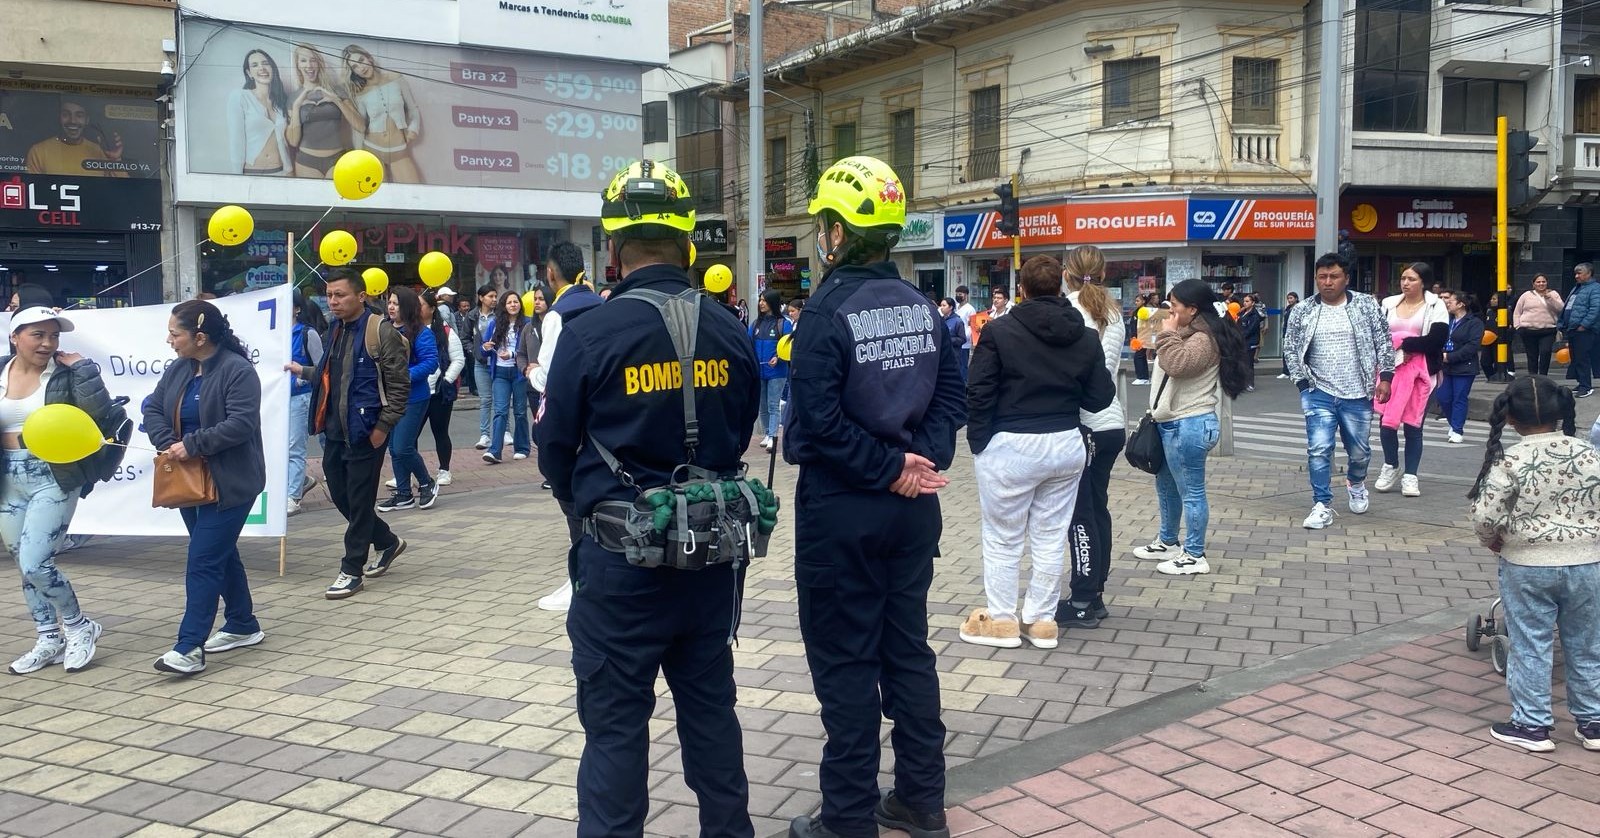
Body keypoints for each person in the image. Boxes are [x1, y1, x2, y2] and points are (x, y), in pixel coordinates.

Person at [537, 160, 760, 837]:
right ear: (687, 244)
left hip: (618, 565)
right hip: (708, 560)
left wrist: (586, 513)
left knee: (614, 730)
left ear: (613, 248)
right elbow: (742, 429)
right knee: (711, 714)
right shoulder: (731, 331)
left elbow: (553, 448)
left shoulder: (589, 334)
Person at [784, 156, 965, 838]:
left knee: (846, 662)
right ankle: (922, 799)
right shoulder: (923, 305)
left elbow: (819, 420)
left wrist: (887, 466)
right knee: (907, 652)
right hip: (914, 506)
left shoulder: (827, 310)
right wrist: (918, 463)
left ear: (835, 232)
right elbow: (952, 397)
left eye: (822, 227)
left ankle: (848, 818)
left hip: (844, 507)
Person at [960, 254, 1112, 650]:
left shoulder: (999, 332)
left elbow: (978, 392)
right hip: (1064, 442)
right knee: (1049, 535)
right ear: (1060, 286)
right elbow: (1100, 398)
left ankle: (1004, 621)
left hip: (1010, 444)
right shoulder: (1085, 335)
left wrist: (979, 442)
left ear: (1021, 290)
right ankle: (1042, 621)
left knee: (1003, 537)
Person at [1467, 376, 1600, 754]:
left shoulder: (1510, 460)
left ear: (1509, 419)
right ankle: (1593, 722)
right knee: (1588, 644)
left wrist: (1492, 540)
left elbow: (1485, 516)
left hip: (1527, 564)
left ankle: (1532, 724)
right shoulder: (1591, 454)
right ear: (1562, 413)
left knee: (1531, 644)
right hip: (1588, 562)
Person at [143, 301, 267, 675]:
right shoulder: (179, 369)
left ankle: (189, 647)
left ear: (200, 337)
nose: (169, 340)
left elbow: (240, 425)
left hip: (231, 482)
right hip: (188, 480)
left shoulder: (237, 370)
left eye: (175, 334)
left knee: (203, 559)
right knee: (219, 553)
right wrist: (169, 443)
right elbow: (152, 407)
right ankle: (243, 624)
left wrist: (192, 445)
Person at [1, 308, 114, 674]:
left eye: (54, 336)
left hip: (54, 474)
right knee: (23, 565)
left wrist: (85, 370)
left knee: (37, 562)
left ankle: (79, 625)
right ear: (15, 336)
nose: (48, 343)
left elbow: (99, 420)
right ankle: (48, 637)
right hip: (7, 478)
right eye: (38, 335)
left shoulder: (66, 374)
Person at [286, 269, 410, 599]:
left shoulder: (380, 332)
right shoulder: (335, 330)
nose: (333, 301)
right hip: (335, 430)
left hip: (366, 432)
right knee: (341, 495)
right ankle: (385, 540)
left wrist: (382, 428)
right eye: (329, 295)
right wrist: (302, 370)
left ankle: (351, 569)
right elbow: (332, 375)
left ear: (361, 296)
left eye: (339, 295)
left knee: (359, 498)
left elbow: (400, 387)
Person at [1130, 281, 1250, 576]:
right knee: (1167, 485)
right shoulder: (1185, 332)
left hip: (1190, 423)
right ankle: (1168, 541)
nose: (1169, 311)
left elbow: (1179, 365)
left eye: (1174, 306)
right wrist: (1152, 334)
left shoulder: (1203, 340)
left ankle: (1195, 554)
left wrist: (1166, 334)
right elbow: (1158, 354)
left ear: (1193, 309)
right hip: (1172, 422)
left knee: (1191, 491)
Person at [1283, 252, 1394, 529]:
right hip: (1317, 390)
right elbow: (1291, 347)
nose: (1327, 282)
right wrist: (1302, 383)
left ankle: (1356, 482)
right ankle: (1321, 503)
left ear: (1346, 278)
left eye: (1334, 276)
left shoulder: (1366, 305)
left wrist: (1386, 377)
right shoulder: (1303, 310)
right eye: (1322, 277)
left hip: (1358, 392)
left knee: (1359, 452)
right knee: (1319, 449)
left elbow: (1384, 341)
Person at [531, 242, 604, 612]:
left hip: (571, 423)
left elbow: (553, 378)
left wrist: (531, 374)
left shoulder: (558, 315)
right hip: (602, 421)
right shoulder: (601, 305)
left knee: (573, 504)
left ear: (550, 272)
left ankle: (580, 579)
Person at [1061, 245, 1126, 629]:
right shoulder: (1114, 312)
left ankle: (1084, 598)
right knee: (1097, 508)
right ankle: (1096, 591)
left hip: (1082, 423)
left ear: (1067, 273)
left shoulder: (1068, 310)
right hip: (1111, 421)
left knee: (1079, 514)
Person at [1374, 263, 1448, 498]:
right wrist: (1395, 350)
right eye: (1403, 278)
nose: (1406, 283)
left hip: (1423, 374)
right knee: (1387, 423)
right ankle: (1391, 465)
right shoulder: (1388, 304)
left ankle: (1411, 476)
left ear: (1423, 282)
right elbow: (1378, 336)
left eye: (1412, 279)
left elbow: (1436, 340)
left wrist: (1404, 343)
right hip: (1390, 372)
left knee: (1414, 426)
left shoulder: (1436, 305)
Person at [390, 289, 463, 488]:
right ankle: (404, 477)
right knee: (407, 438)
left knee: (440, 431)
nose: (418, 308)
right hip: (413, 393)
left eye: (421, 305)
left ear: (432, 309)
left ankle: (444, 470)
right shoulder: (404, 329)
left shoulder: (443, 331)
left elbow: (457, 359)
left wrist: (446, 380)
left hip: (438, 392)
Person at [376, 287, 440, 511]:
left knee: (403, 447)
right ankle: (403, 493)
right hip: (388, 398)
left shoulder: (421, 332)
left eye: (396, 303)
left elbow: (431, 363)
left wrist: (403, 376)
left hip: (414, 398)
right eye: (390, 303)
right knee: (394, 448)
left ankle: (426, 483)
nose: (391, 307)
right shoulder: (383, 329)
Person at [342, 44, 421, 183]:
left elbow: (413, 109)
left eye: (361, 60)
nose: (361, 68)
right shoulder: (361, 94)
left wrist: (413, 129)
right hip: (371, 149)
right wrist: (359, 155)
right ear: (354, 72)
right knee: (376, 199)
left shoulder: (396, 79)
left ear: (369, 58)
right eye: (355, 67)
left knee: (414, 193)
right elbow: (360, 128)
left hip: (399, 149)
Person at [286, 44, 360, 178]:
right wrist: (297, 107)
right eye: (303, 60)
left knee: (338, 199)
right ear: (297, 65)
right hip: (306, 162)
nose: (309, 65)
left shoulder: (337, 91)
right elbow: (293, 141)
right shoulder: (293, 98)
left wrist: (336, 100)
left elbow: (360, 126)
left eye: (313, 60)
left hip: (338, 159)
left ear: (319, 63)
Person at [287, 290, 327, 515]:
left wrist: (301, 378)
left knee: (294, 447)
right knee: (283, 447)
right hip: (278, 399)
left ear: (297, 308)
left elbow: (322, 369)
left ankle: (293, 496)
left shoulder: (306, 333)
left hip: (299, 398)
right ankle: (300, 481)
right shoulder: (272, 334)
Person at [481, 288, 530, 464]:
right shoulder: (495, 324)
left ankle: (522, 447)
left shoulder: (527, 323)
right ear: (504, 305)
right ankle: (495, 451)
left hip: (519, 373)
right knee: (500, 411)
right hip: (500, 373)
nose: (513, 305)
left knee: (520, 411)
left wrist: (512, 355)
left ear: (520, 304)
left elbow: (530, 351)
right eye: (509, 302)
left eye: (515, 301)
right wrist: (486, 347)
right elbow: (484, 349)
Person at [226, 49, 291, 175]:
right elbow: (236, 142)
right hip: (252, 173)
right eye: (255, 65)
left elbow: (284, 142)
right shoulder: (240, 96)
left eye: (265, 63)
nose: (261, 68)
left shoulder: (281, 102)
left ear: (272, 68)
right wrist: (237, 178)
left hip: (281, 172)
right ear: (249, 73)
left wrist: (289, 169)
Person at [25, 99, 126, 177]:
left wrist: (115, 159)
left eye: (79, 115)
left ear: (87, 120)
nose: (72, 121)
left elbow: (123, 192)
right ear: (59, 118)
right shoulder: (39, 151)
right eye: (66, 114)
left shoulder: (100, 151)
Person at [1435, 289, 1485, 445]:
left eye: (1451, 301)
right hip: (1444, 366)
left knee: (1459, 398)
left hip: (1464, 367)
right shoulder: (1446, 320)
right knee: (1443, 397)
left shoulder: (1474, 323)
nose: (1447, 304)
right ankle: (1453, 423)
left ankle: (1457, 429)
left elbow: (1472, 346)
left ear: (1461, 304)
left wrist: (1450, 357)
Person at [750, 289, 792, 451]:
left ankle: (773, 437)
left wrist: (779, 358)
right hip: (759, 371)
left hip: (777, 372)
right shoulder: (755, 324)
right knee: (762, 406)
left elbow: (788, 345)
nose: (761, 303)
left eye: (764, 301)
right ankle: (768, 433)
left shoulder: (783, 324)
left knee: (773, 404)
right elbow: (748, 344)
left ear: (772, 303)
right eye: (760, 300)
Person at [1514, 274, 1564, 376]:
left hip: (1548, 330)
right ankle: (1533, 377)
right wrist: (1518, 326)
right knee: (1532, 355)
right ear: (1533, 284)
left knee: (1545, 352)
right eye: (1538, 282)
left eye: (1543, 281)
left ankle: (1543, 376)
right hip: (1528, 330)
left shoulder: (1553, 294)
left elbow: (1561, 308)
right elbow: (1517, 312)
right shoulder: (1526, 295)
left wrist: (1550, 298)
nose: (1541, 284)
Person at [1562, 262, 1598, 398]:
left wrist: (1584, 325)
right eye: (1575, 273)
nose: (1576, 276)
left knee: (1582, 358)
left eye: (1579, 273)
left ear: (1588, 274)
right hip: (1573, 329)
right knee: (1576, 358)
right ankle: (1581, 382)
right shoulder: (1577, 288)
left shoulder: (1594, 289)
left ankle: (1586, 386)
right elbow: (1568, 307)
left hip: (1584, 330)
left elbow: (1595, 309)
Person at [471, 284, 498, 446]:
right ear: (481, 298)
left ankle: (505, 432)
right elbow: (465, 337)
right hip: (480, 364)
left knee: (501, 400)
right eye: (490, 296)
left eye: (495, 296)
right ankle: (484, 435)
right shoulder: (472, 316)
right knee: (485, 399)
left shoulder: (500, 315)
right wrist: (474, 351)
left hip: (498, 362)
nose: (494, 299)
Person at [1236, 292, 1266, 392]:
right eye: (1244, 301)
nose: (1245, 303)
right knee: (1241, 363)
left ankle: (1250, 383)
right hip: (1241, 341)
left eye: (1247, 301)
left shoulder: (1254, 315)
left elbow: (1250, 330)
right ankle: (1242, 383)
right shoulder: (1242, 312)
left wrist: (1240, 336)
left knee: (1248, 363)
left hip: (1250, 342)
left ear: (1253, 303)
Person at [937, 297, 967, 382]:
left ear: (950, 307)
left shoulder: (958, 321)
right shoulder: (940, 320)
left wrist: (949, 339)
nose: (941, 307)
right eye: (941, 305)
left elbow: (962, 339)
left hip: (954, 354)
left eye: (944, 305)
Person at [954, 285, 976, 379]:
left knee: (963, 366)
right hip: (955, 340)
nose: (958, 296)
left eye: (960, 294)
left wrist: (967, 337)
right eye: (957, 294)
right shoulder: (956, 307)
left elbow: (972, 326)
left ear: (966, 295)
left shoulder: (970, 309)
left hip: (965, 341)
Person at [1276, 291, 1300, 379]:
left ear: (1296, 299)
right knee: (1286, 352)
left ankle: (1295, 371)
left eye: (1291, 298)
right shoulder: (1288, 308)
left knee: (1295, 353)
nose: (1289, 300)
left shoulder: (1299, 308)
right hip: (1287, 332)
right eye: (1288, 298)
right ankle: (1286, 371)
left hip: (1295, 333)